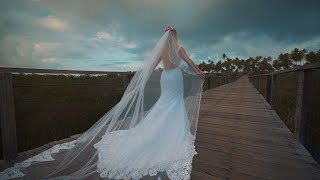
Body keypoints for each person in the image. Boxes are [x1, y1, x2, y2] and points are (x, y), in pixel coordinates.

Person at [0, 26, 205, 180]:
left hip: (166, 79)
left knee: (164, 103)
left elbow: (150, 67)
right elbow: (189, 63)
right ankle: (171, 132)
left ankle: (158, 130)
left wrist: (139, 83)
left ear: (165, 37)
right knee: (174, 102)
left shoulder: (162, 51)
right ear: (175, 37)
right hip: (175, 78)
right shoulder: (180, 48)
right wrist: (200, 72)